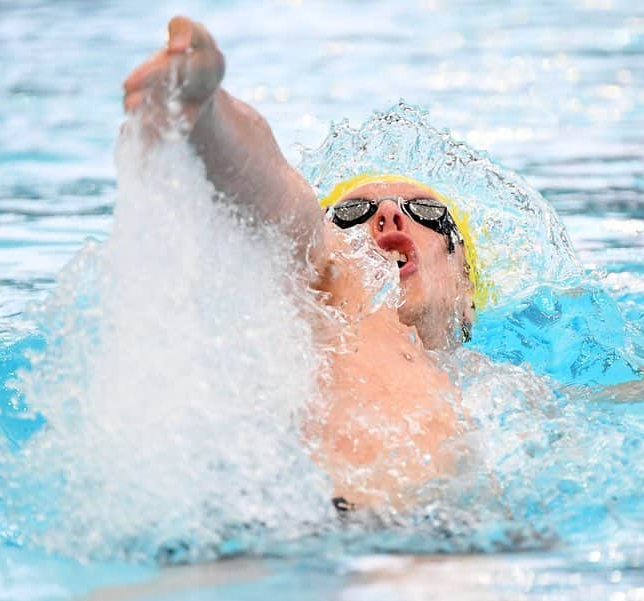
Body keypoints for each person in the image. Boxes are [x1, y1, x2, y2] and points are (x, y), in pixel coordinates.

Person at [123, 17, 480, 510]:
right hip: (326, 525)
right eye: (350, 212)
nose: (388, 213)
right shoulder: (334, 288)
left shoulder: (510, 388)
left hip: (463, 536)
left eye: (427, 212)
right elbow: (278, 199)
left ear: (467, 293)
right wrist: (206, 112)